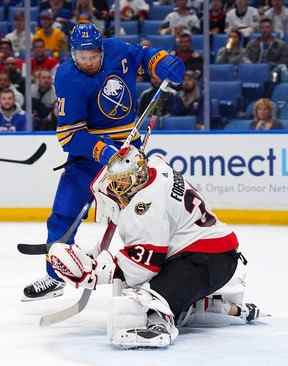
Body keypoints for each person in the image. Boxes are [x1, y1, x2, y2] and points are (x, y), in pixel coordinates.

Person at [22, 23, 185, 301]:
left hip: (129, 150)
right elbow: (69, 136)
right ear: (72, 54)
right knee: (64, 212)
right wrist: (103, 151)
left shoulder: (117, 50)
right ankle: (55, 275)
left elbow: (145, 58)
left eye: (92, 55)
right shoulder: (66, 77)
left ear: (101, 49)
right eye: (81, 56)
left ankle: (161, 270)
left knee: (145, 214)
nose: (87, 62)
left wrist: (162, 61)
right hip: (89, 155)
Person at [48, 145, 260, 349]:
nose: (116, 187)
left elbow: (143, 268)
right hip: (219, 256)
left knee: (143, 299)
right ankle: (220, 307)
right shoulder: (157, 166)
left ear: (136, 179)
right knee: (168, 292)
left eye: (121, 182)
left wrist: (94, 274)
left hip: (203, 261)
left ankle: (160, 326)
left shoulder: (144, 207)